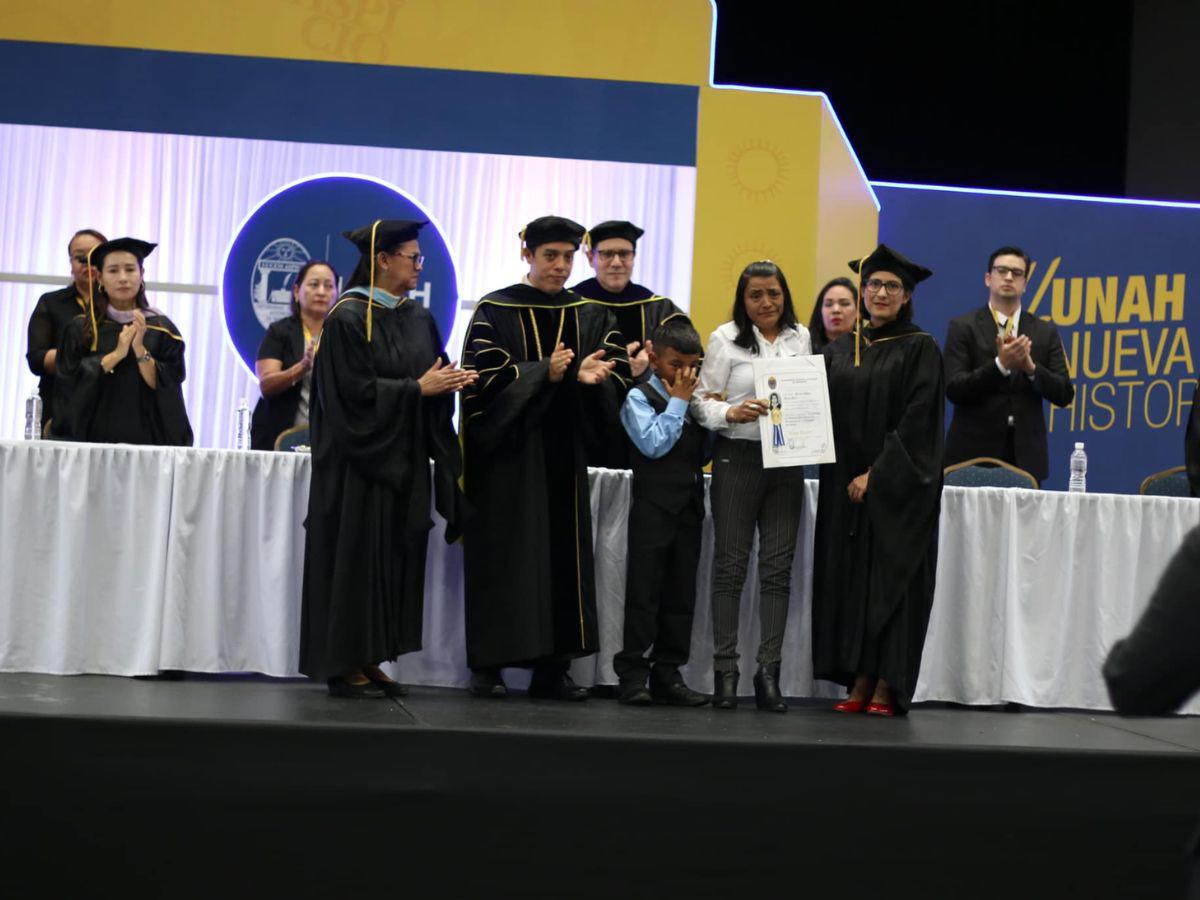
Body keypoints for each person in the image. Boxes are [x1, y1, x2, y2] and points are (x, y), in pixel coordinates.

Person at [300, 219, 473, 699]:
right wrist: (418, 389)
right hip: (357, 468)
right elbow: (350, 399)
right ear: (382, 259)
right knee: (355, 558)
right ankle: (343, 660)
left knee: (393, 560)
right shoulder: (348, 318)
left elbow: (431, 378)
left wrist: (446, 387)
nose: (419, 266)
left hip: (403, 464)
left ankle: (371, 655)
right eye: (412, 258)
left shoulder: (418, 318)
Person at [460, 215, 629, 701]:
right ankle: (488, 666)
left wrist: (592, 377)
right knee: (503, 557)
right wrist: (544, 373)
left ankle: (553, 667)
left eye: (568, 257)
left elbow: (611, 373)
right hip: (506, 463)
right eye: (550, 256)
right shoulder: (495, 310)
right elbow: (481, 382)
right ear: (527, 255)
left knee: (561, 559)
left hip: (561, 456)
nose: (560, 266)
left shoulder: (589, 314)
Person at [811, 244, 944, 717]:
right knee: (853, 582)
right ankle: (859, 679)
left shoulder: (920, 347)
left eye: (891, 286)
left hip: (897, 492)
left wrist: (877, 474)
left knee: (891, 583)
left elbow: (918, 421)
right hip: (845, 488)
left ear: (906, 296)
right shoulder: (840, 350)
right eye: (873, 285)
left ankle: (887, 684)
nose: (881, 293)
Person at [692, 260, 811, 712]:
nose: (766, 303)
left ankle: (769, 673)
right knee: (730, 566)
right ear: (743, 300)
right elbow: (701, 401)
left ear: (786, 296)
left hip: (787, 462)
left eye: (774, 294)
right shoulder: (725, 339)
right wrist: (729, 414)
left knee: (777, 570)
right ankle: (726, 672)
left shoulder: (801, 337)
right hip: (736, 457)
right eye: (756, 295)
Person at [613, 317, 710, 707]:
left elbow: (702, 451)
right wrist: (679, 403)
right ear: (653, 358)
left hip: (688, 507)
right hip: (652, 508)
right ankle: (633, 675)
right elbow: (652, 444)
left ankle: (669, 673)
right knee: (644, 592)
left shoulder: (693, 400)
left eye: (693, 366)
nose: (685, 374)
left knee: (680, 593)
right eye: (676, 364)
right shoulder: (639, 398)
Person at [943, 245, 1074, 485]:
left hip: (1026, 458)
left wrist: (1031, 369)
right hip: (971, 455)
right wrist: (999, 366)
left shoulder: (1044, 332)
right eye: (1001, 270)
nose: (1008, 277)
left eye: (1017, 273)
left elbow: (1065, 393)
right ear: (988, 278)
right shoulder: (963, 327)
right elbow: (954, 388)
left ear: (1025, 284)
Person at [54, 237, 193, 446]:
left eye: (130, 270)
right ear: (99, 277)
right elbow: (68, 385)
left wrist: (139, 349)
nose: (123, 278)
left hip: (147, 443)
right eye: (113, 271)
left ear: (142, 274)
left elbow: (168, 389)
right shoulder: (81, 329)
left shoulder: (162, 329)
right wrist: (116, 354)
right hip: (91, 442)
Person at [572, 219, 684, 467]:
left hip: (646, 428)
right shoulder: (570, 306)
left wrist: (651, 368)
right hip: (583, 424)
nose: (616, 262)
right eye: (607, 254)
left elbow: (689, 363)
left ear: (634, 257)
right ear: (591, 257)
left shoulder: (660, 308)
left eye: (624, 254)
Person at [25, 229, 107, 435]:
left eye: (94, 256)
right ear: (71, 264)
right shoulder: (51, 303)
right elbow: (36, 358)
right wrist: (89, 361)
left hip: (107, 405)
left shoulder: (121, 306)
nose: (87, 263)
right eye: (80, 257)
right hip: (60, 405)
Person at [250, 260, 338, 450]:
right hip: (280, 435)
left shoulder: (343, 335)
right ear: (297, 292)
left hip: (330, 439)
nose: (322, 292)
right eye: (314, 284)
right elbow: (266, 385)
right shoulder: (280, 332)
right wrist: (303, 367)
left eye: (329, 286)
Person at [806, 276, 858, 353]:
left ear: (858, 311)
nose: (836, 310)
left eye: (844, 304)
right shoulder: (805, 348)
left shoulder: (867, 350)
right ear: (820, 310)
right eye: (829, 304)